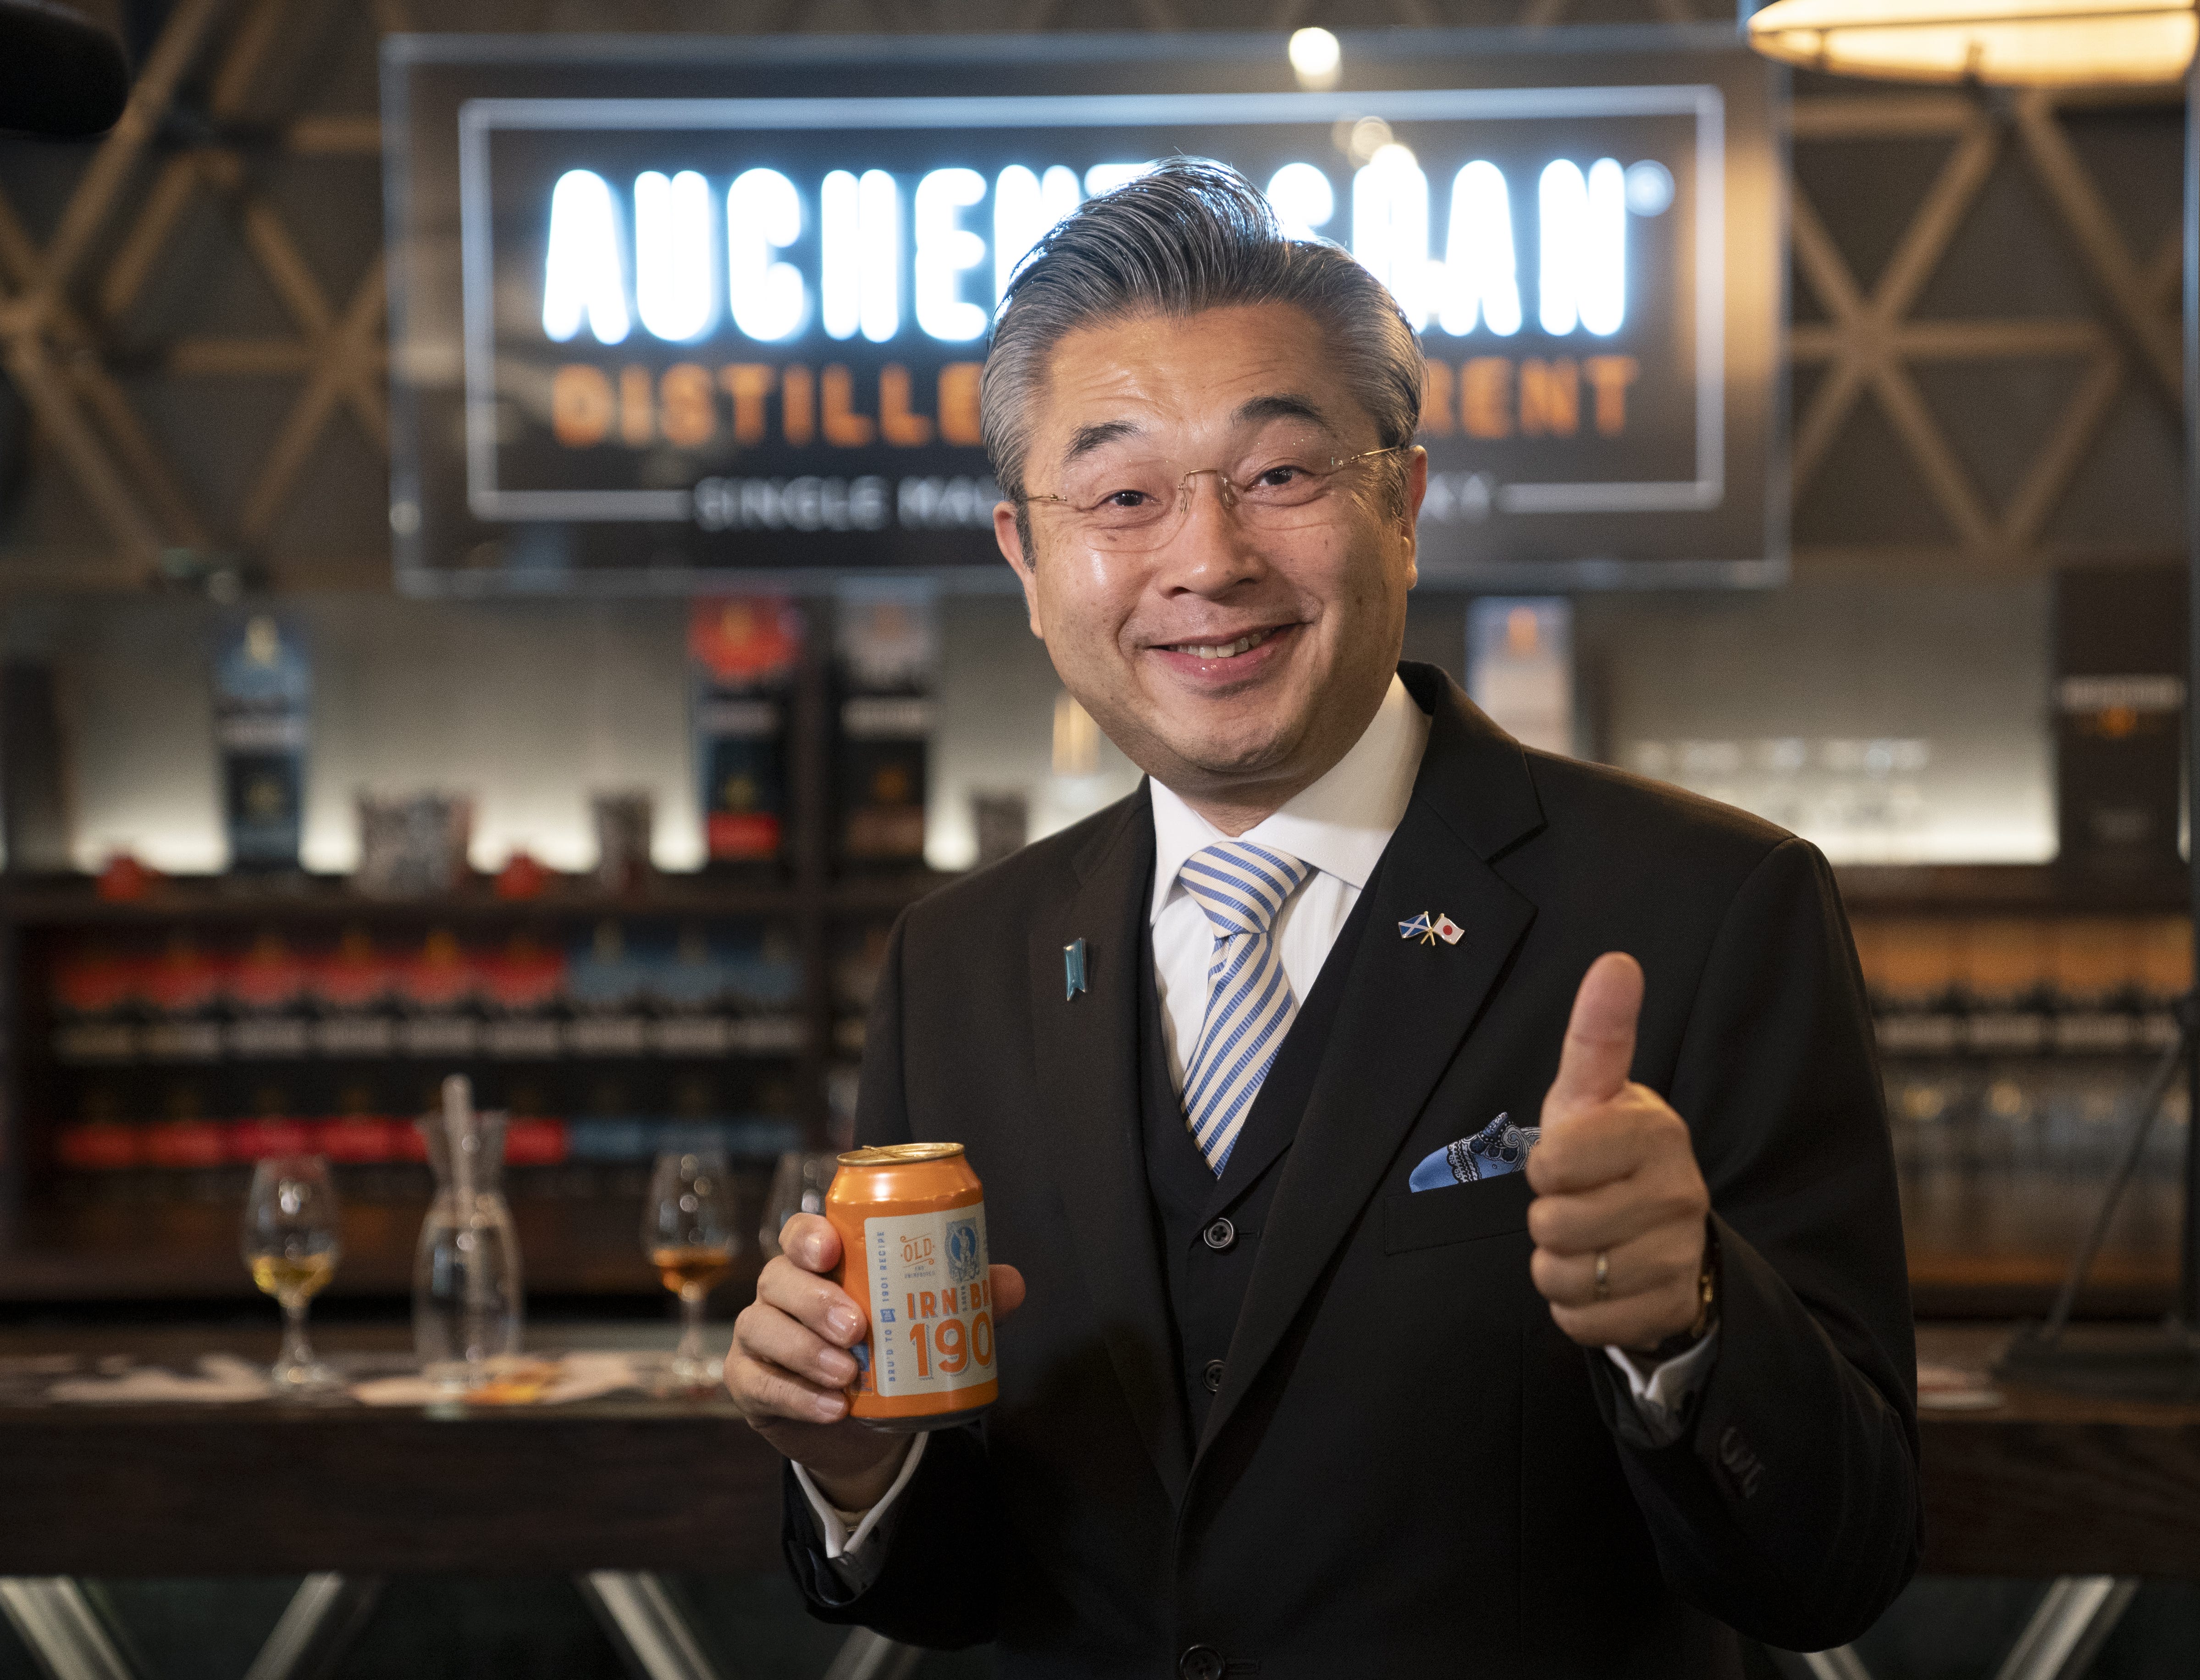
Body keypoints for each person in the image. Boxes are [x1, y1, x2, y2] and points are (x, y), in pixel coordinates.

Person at [730, 159, 1918, 1680]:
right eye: (1121, 495)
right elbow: (965, 1584)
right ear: (1028, 561)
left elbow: (1843, 1557)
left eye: (1280, 475)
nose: (1207, 559)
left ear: (1403, 503)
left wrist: (1691, 1322)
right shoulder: (961, 960)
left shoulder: (1706, 907)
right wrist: (850, 1462)